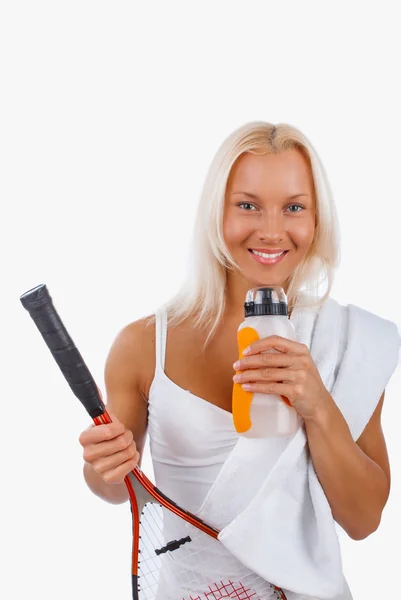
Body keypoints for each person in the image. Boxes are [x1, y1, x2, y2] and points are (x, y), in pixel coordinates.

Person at [78, 121, 399, 598]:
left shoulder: (347, 342)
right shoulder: (143, 345)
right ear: (217, 213)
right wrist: (101, 464)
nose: (271, 231)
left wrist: (316, 404)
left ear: (316, 220)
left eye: (294, 207)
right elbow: (116, 488)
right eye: (247, 205)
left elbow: (364, 520)